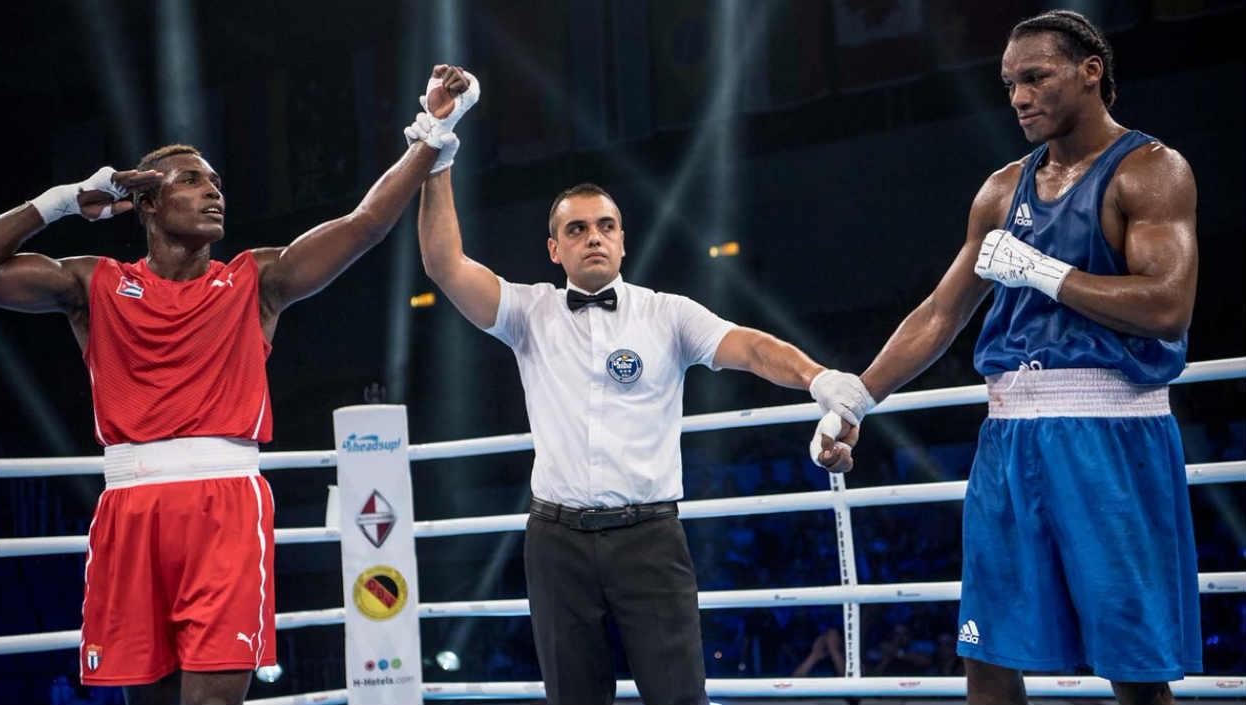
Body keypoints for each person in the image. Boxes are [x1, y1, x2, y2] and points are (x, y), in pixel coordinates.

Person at [0, 66, 476, 705]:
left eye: (216, 181)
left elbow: (364, 225)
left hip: (225, 505)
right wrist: (60, 201)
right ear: (148, 202)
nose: (214, 192)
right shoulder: (92, 283)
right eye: (191, 180)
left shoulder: (256, 280)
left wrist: (433, 132)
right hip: (131, 507)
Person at [406, 65, 856, 705]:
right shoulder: (529, 312)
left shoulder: (667, 314)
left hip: (649, 539)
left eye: (605, 226)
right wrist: (440, 145)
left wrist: (820, 379)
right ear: (554, 249)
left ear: (623, 241)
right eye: (577, 229)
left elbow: (751, 346)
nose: (593, 237)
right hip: (555, 541)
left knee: (678, 697)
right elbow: (444, 265)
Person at [809, 9, 1200, 703]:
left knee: (1135, 670)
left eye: (1035, 77)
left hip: (1111, 437)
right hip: (1010, 443)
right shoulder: (999, 190)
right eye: (1009, 83)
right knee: (988, 657)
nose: (1018, 96)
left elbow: (1168, 303)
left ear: (1090, 72)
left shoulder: (1151, 171)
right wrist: (854, 401)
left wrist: (1044, 271)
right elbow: (940, 314)